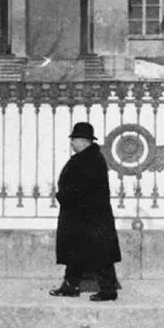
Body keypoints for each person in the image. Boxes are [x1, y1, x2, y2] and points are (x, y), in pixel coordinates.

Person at [49, 121, 123, 302]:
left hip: (89, 216)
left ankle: (108, 290)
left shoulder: (89, 160)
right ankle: (70, 286)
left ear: (82, 141)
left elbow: (81, 188)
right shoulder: (90, 158)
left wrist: (62, 196)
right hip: (85, 215)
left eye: (74, 140)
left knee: (100, 253)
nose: (72, 143)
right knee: (77, 251)